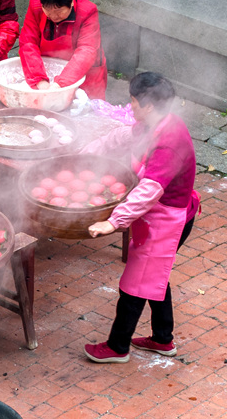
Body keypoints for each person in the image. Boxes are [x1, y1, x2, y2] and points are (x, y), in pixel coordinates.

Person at [82, 72, 200, 363]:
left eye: (133, 101)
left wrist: (114, 221)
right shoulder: (155, 122)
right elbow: (122, 137)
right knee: (155, 276)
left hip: (167, 219)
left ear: (147, 105)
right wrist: (84, 156)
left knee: (135, 285)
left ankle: (117, 347)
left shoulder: (170, 141)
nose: (130, 105)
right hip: (159, 215)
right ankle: (162, 339)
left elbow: (150, 189)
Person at [19, 0, 107, 99]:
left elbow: (87, 51)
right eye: (47, 10)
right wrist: (40, 81)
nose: (53, 16)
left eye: (59, 11)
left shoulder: (88, 11)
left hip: (86, 75)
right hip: (48, 70)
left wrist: (59, 85)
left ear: (71, 2)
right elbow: (28, 43)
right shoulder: (35, 5)